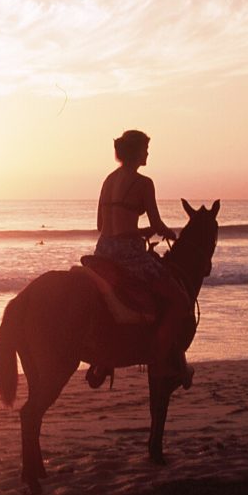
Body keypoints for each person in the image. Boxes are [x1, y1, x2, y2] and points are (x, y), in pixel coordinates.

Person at [86, 129, 194, 390]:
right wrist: (165, 232)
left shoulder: (107, 180)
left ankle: (104, 358)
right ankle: (163, 355)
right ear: (136, 153)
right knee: (179, 299)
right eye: (145, 149)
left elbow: (101, 224)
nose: (148, 153)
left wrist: (133, 229)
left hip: (103, 251)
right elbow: (156, 224)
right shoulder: (145, 183)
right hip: (128, 254)